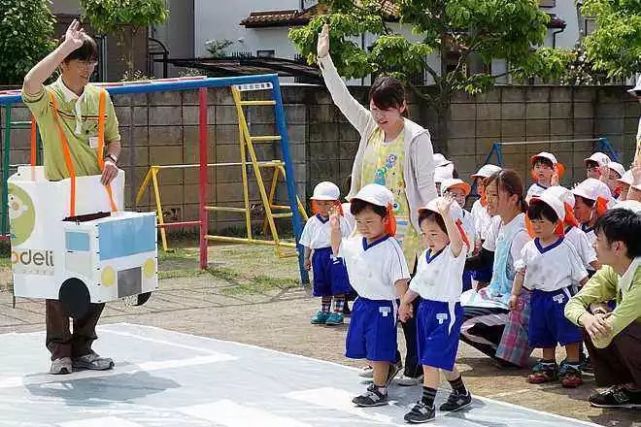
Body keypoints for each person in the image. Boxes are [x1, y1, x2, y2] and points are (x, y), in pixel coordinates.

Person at [318, 24, 437, 384]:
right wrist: (325, 59)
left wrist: (434, 230)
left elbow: (426, 188)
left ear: (402, 106)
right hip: (369, 231)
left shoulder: (416, 137)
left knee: (407, 302)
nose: (380, 115)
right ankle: (386, 360)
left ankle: (417, 362)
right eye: (375, 108)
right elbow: (341, 99)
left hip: (406, 233)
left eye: (387, 109)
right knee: (374, 299)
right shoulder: (369, 127)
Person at [21, 20, 120, 375]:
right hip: (60, 202)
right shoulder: (48, 99)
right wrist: (64, 46)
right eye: (80, 61)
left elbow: (114, 139)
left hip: (96, 200)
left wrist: (112, 158)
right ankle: (60, 351)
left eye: (91, 61)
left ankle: (84, 347)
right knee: (61, 278)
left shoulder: (101, 98)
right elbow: (29, 83)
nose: (87, 68)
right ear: (64, 64)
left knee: (98, 275)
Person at [330, 184, 411, 407]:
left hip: (383, 305)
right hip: (363, 303)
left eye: (370, 221)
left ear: (385, 219)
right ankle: (390, 366)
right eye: (359, 222)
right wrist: (335, 227)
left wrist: (404, 303)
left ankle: (379, 389)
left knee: (377, 347)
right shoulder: (356, 243)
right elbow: (338, 248)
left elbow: (400, 279)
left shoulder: (390, 247)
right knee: (363, 343)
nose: (364, 227)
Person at [399, 196, 472, 423]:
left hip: (445, 312)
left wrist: (447, 215)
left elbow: (458, 242)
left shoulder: (454, 254)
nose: (429, 239)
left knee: (431, 360)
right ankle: (460, 392)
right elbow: (418, 284)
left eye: (435, 234)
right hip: (426, 311)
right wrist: (405, 302)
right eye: (425, 234)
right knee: (439, 358)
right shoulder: (425, 257)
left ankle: (426, 404)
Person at [565, 203, 641, 408]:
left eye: (598, 240)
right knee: (593, 322)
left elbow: (607, 333)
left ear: (618, 247)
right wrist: (589, 317)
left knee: (617, 328)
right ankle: (631, 389)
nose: (593, 245)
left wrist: (598, 321)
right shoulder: (612, 269)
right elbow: (573, 304)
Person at [512, 191, 588, 387]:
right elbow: (521, 272)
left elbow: (581, 276)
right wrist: (514, 294)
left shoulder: (566, 247)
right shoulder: (529, 247)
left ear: (556, 223)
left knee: (568, 332)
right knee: (543, 332)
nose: (536, 226)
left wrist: (590, 299)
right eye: (534, 221)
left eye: (542, 222)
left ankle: (572, 366)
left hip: (561, 298)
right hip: (538, 297)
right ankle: (548, 364)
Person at [460, 170, 532, 368]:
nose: (487, 199)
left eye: (494, 195)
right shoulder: (498, 223)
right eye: (487, 194)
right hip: (497, 293)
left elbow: (527, 279)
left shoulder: (522, 232)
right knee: (450, 307)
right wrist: (454, 263)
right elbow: (484, 259)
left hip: (514, 301)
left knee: (459, 316)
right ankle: (500, 345)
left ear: (513, 198)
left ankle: (509, 346)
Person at [300, 181, 353, 326]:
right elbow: (307, 242)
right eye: (319, 203)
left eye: (327, 203)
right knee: (323, 284)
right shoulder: (311, 222)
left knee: (337, 284)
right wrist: (306, 258)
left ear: (335, 203)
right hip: (319, 257)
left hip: (336, 255)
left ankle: (338, 312)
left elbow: (348, 241)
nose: (323, 207)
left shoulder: (341, 221)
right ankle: (324, 311)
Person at [469, 164, 502, 289]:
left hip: (494, 248)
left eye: (484, 184)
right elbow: (473, 225)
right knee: (478, 281)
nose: (480, 188)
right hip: (480, 247)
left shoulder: (499, 206)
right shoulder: (476, 205)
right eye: (478, 184)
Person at [572, 178, 612, 249]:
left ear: (595, 206)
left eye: (577, 208)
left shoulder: (606, 234)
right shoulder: (574, 228)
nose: (574, 211)